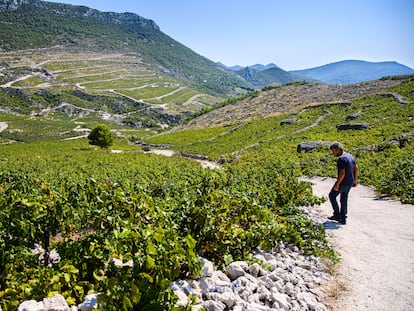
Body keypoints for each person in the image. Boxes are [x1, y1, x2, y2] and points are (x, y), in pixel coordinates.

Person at [328, 142, 358, 224]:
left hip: (343, 182)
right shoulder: (350, 156)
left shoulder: (341, 159)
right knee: (344, 198)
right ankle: (343, 217)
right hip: (349, 182)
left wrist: (337, 184)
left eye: (333, 151)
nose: (333, 153)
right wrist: (355, 180)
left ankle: (337, 215)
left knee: (332, 196)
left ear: (338, 150)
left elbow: (342, 173)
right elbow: (356, 168)